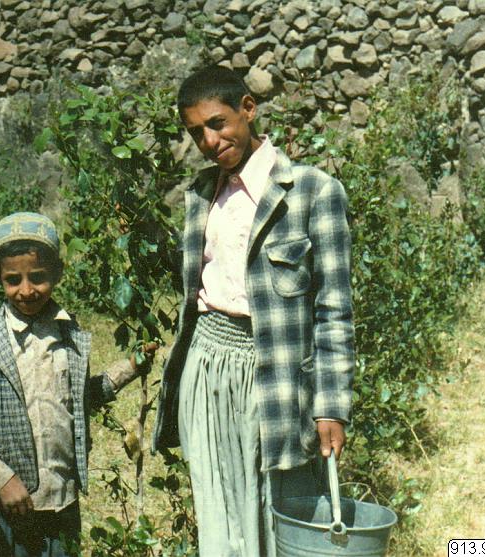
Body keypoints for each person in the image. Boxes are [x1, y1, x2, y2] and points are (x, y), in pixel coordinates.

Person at [151, 66, 355, 556]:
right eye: (196, 132)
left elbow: (334, 310)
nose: (209, 141)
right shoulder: (201, 195)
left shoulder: (313, 191)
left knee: (281, 517)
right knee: (219, 517)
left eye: (217, 123)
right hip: (206, 369)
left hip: (275, 378)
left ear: (248, 108)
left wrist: (331, 404)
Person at [0, 212, 157, 557]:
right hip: (4, 506)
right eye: (13, 280)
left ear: (58, 273)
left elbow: (81, 398)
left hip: (61, 500)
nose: (26, 290)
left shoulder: (69, 334)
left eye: (38, 277)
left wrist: (131, 367)